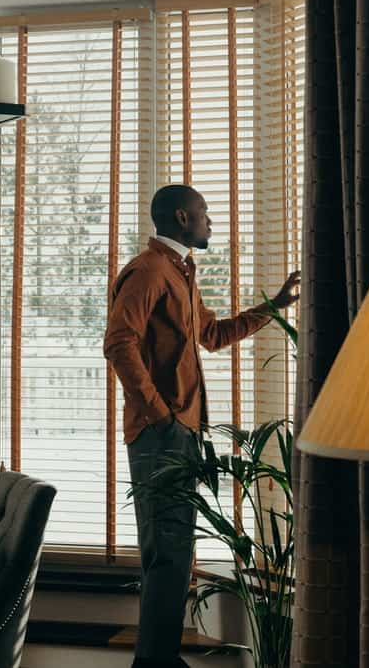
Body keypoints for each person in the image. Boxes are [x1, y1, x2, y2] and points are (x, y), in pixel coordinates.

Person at [104, 184, 300, 668]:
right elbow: (118, 342)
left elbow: (211, 335)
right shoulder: (149, 271)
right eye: (205, 213)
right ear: (181, 218)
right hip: (161, 435)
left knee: (173, 556)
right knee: (166, 555)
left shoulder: (180, 274)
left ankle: (158, 660)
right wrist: (161, 416)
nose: (210, 222)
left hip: (181, 432)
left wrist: (273, 305)